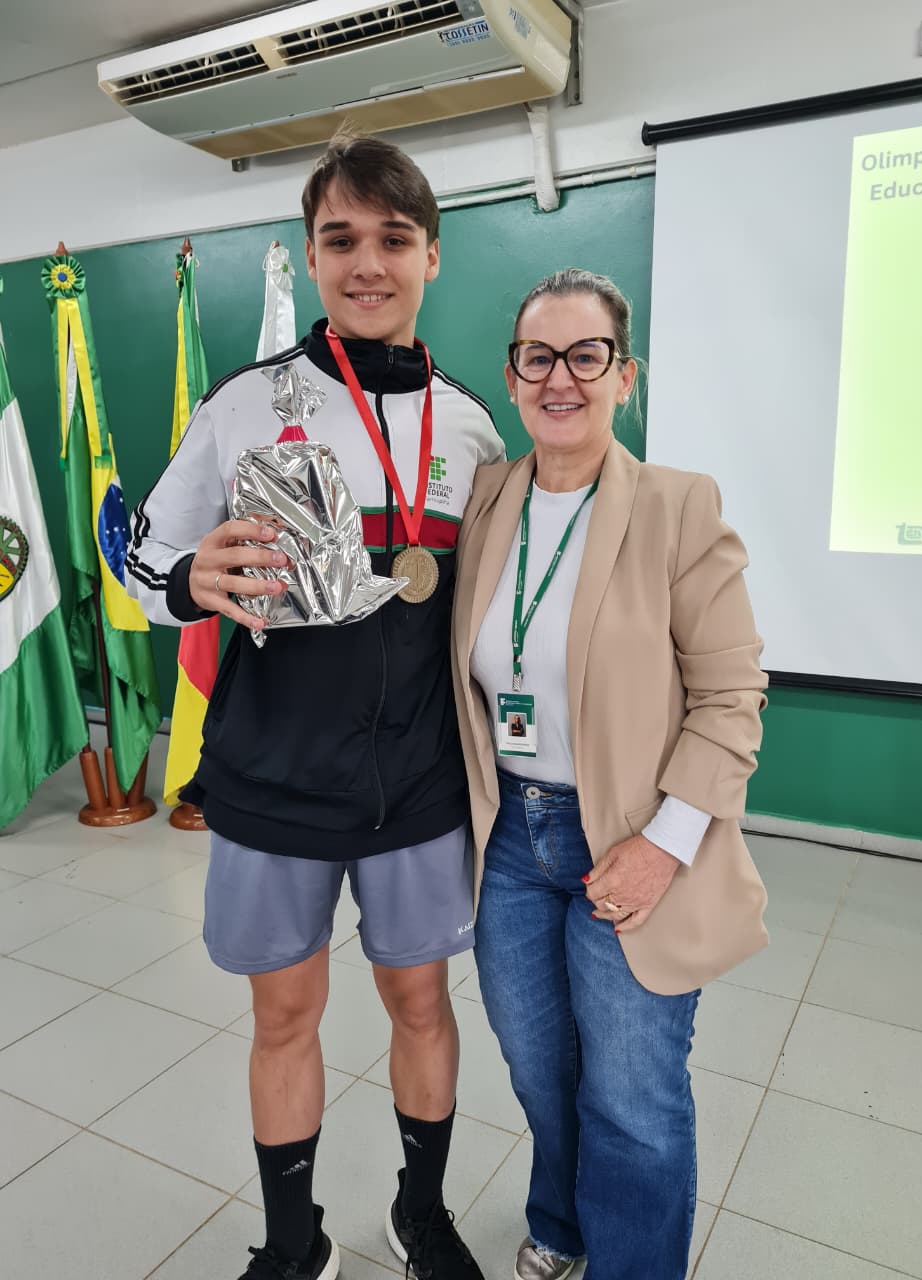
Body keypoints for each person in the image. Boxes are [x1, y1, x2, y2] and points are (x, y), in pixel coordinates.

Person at [127, 133, 504, 1280]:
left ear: (431, 254)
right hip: (273, 776)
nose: (368, 262)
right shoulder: (244, 404)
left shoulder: (473, 427)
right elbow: (145, 560)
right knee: (283, 1017)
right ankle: (294, 1244)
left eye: (394, 238)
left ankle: (419, 1214)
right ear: (310, 253)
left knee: (422, 1004)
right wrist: (187, 580)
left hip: (420, 782)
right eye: (341, 239)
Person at [451, 269, 769, 1280]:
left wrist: (664, 844)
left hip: (630, 837)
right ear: (512, 377)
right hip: (509, 837)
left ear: (624, 376)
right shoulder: (487, 500)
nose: (561, 377)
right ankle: (564, 1217)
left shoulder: (678, 506)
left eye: (586, 356)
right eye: (538, 356)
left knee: (632, 1095)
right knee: (539, 1066)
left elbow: (732, 694)